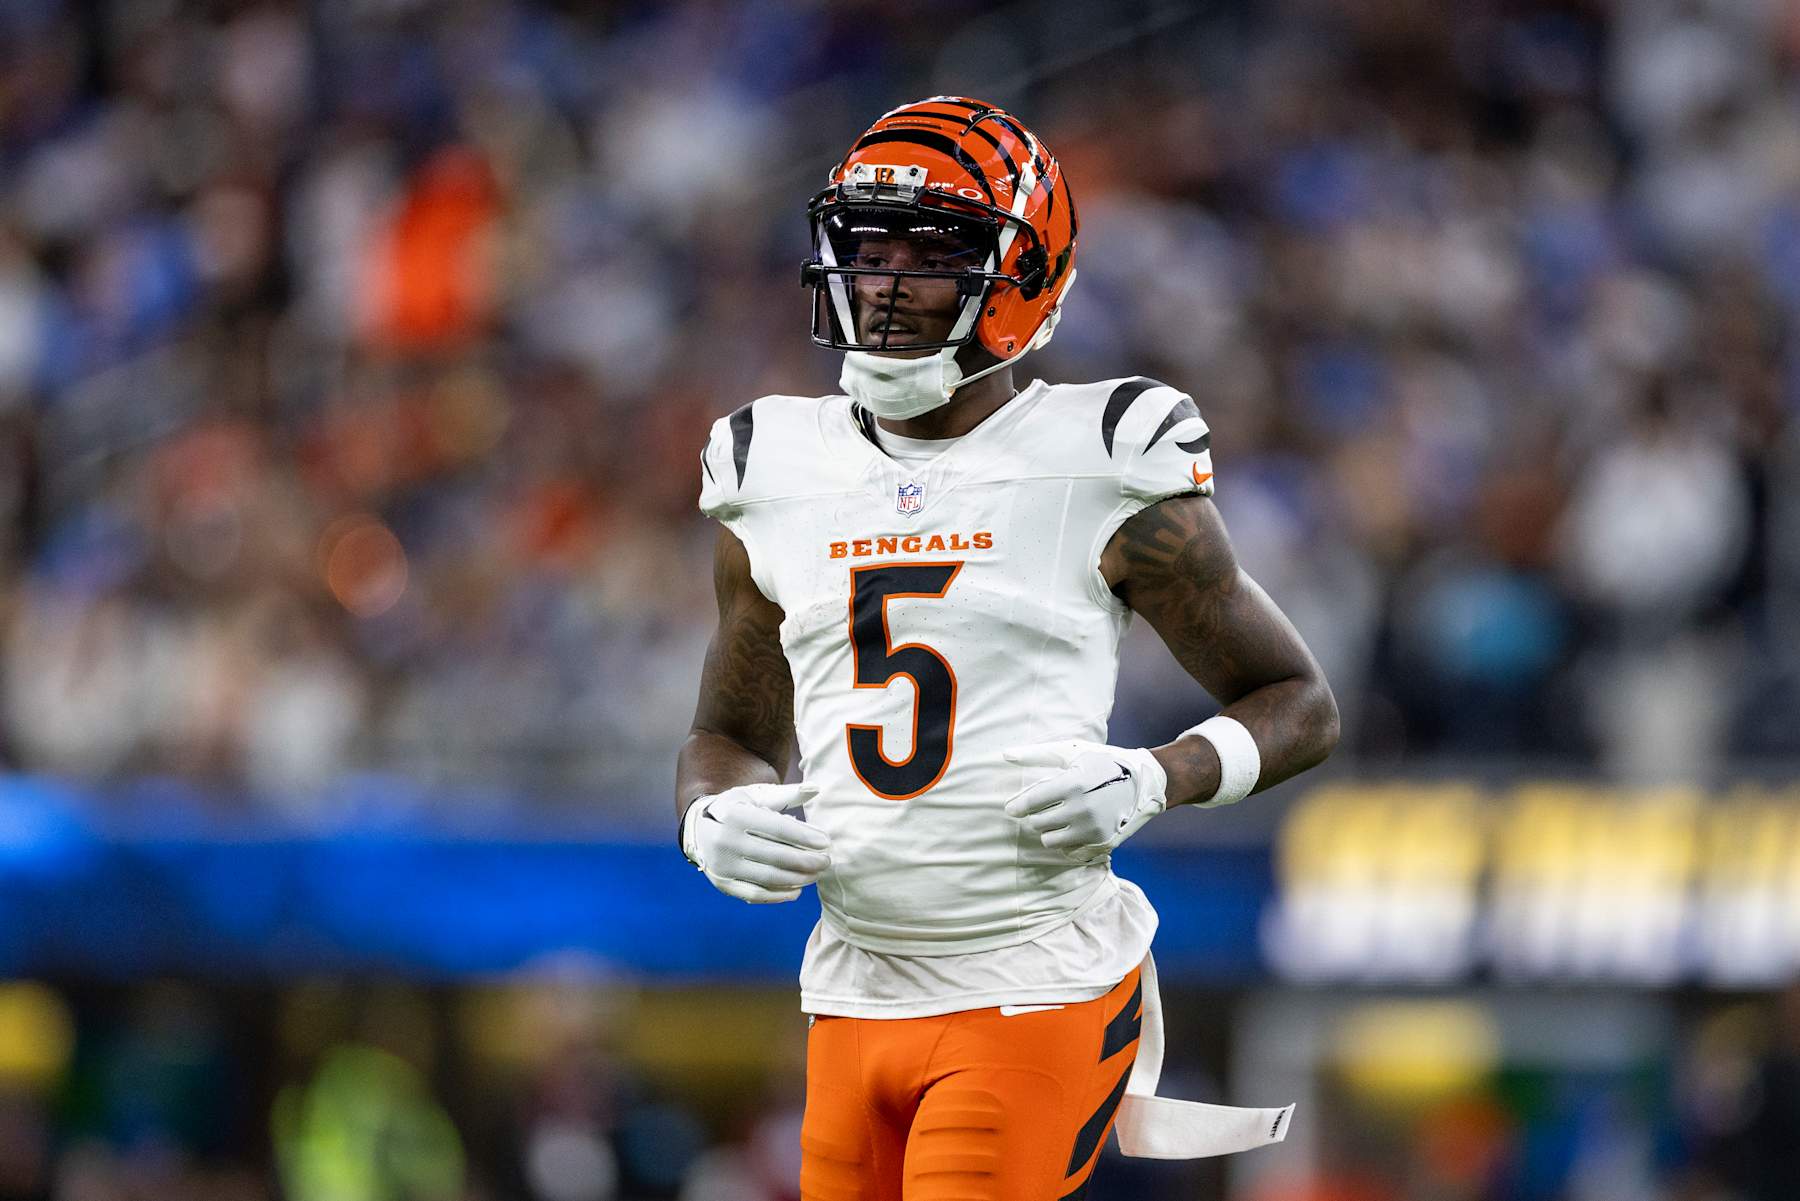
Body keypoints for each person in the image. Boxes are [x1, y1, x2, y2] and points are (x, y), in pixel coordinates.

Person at [674, 97, 1339, 1201]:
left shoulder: (1101, 457)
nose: (885, 281)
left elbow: (1298, 700)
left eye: (931, 251)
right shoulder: (769, 465)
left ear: (1021, 276)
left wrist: (1154, 777)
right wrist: (709, 816)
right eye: (869, 245)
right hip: (848, 986)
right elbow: (727, 734)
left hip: (1031, 977)